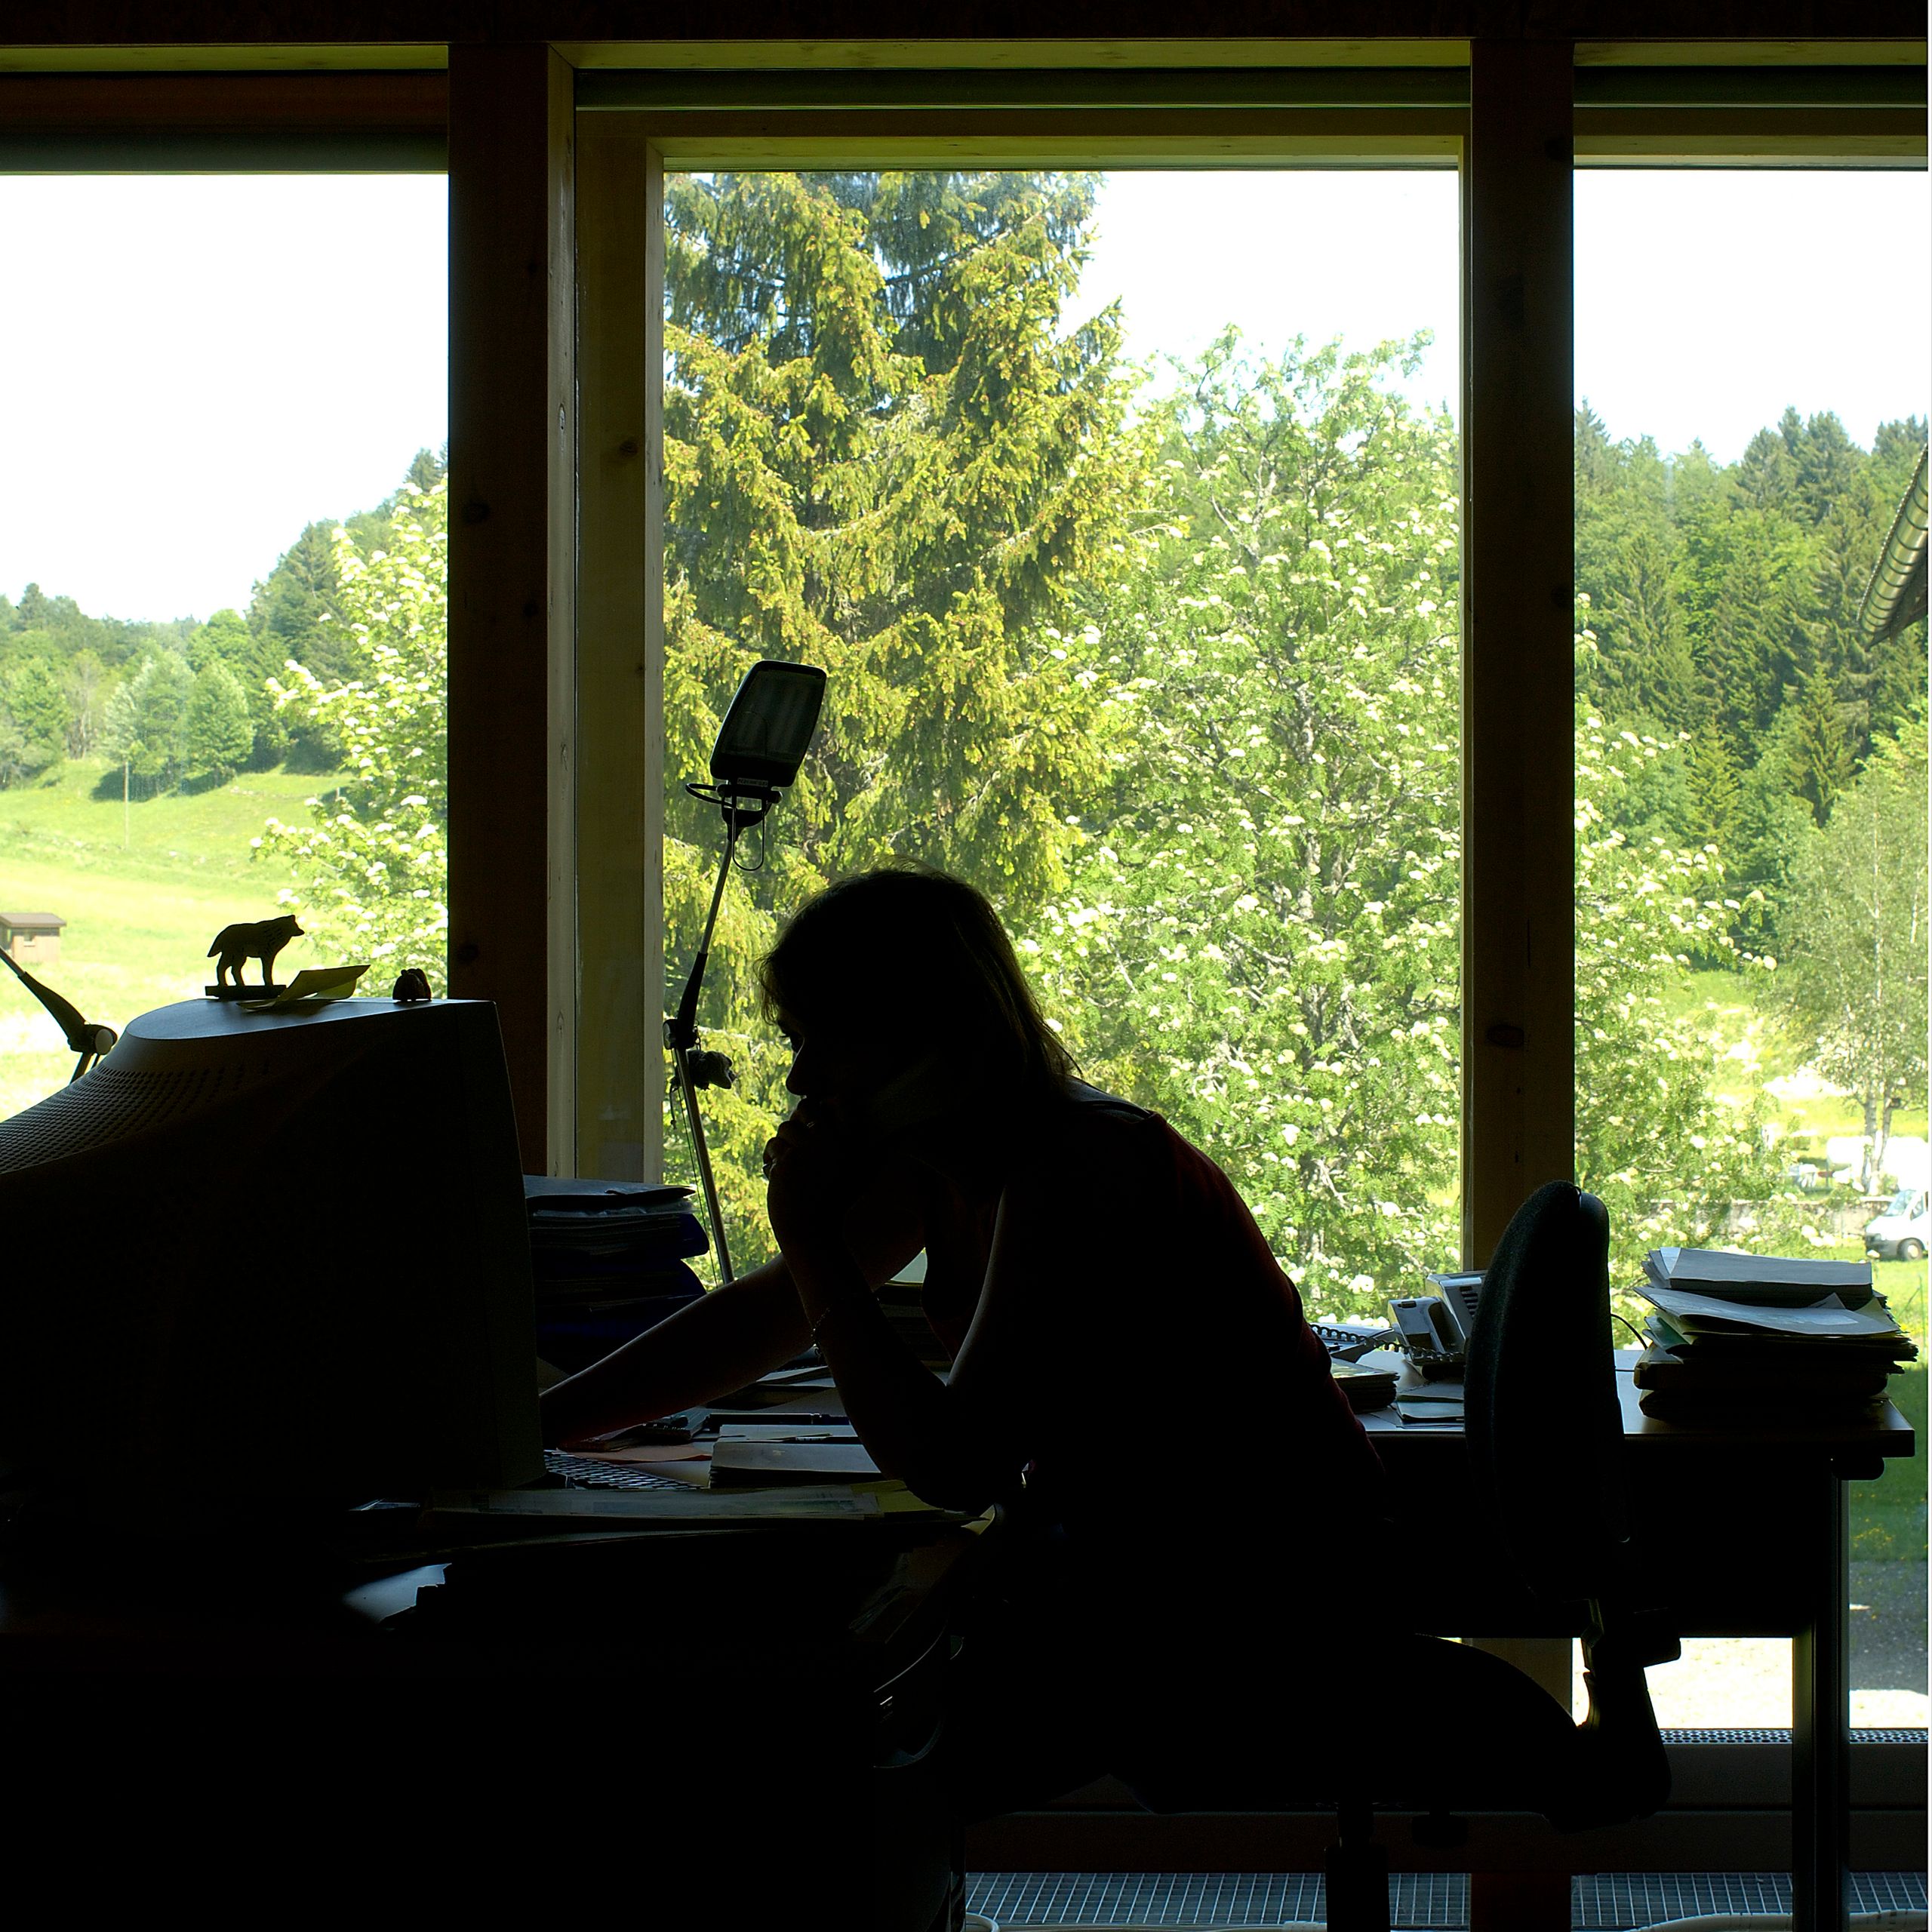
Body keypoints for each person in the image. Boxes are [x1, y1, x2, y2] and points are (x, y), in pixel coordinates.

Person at [540, 863, 1390, 1814]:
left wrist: (811, 1231)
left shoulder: (1079, 1165)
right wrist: (532, 1423)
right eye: (796, 1037)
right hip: (1144, 1582)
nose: (800, 1076)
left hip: (1251, 1610)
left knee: (769, 1746)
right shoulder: (949, 1165)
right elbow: (765, 1315)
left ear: (922, 1035)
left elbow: (953, 1462)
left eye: (828, 1037)